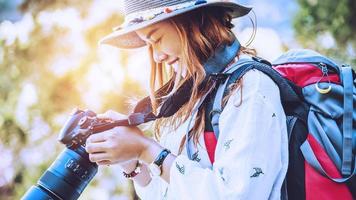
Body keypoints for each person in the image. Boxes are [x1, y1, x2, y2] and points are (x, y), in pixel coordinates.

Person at [85, 0, 288, 199]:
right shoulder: (192, 97)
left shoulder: (250, 88)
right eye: (148, 45)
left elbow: (239, 194)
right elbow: (167, 192)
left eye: (156, 39)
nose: (156, 57)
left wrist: (146, 149)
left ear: (193, 21)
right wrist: (133, 160)